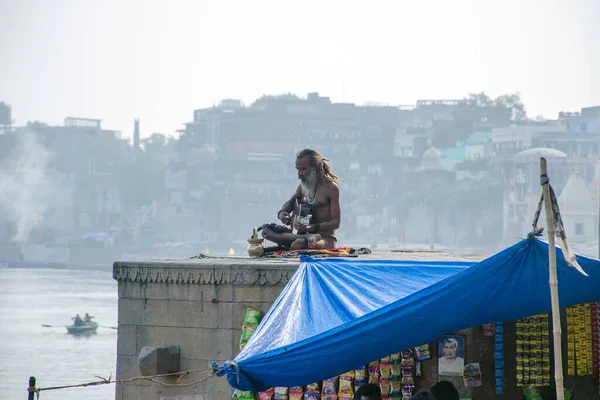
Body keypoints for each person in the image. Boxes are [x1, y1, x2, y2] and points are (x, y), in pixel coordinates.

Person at [262, 149, 341, 250]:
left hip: (325, 239)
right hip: (306, 236)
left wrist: (311, 228)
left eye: (303, 169)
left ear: (315, 167)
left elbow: (336, 223)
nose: (299, 173)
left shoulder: (331, 188)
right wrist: (282, 213)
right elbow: (291, 202)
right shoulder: (303, 187)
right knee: (267, 232)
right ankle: (304, 238)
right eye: (298, 169)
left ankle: (300, 240)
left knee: (298, 244)